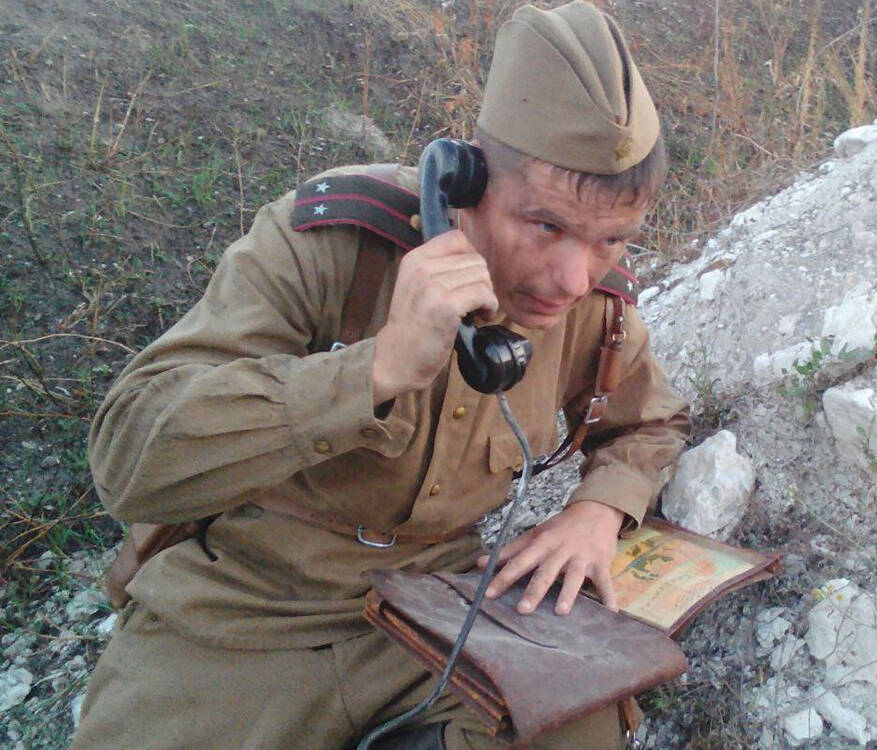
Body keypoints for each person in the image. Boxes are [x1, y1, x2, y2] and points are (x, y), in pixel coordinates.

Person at [71, 2, 690, 749]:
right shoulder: (332, 243)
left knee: (577, 729)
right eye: (545, 226)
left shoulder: (593, 304)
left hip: (438, 603)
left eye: (611, 240)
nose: (572, 277)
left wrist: (598, 510)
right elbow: (128, 458)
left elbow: (651, 423)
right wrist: (375, 368)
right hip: (249, 602)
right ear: (467, 181)